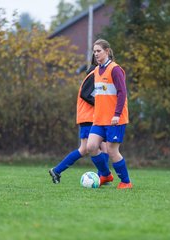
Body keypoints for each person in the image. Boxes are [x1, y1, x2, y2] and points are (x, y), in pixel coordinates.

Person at [48, 55, 109, 184]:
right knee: (86, 149)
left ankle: (102, 177)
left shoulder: (97, 74)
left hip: (93, 117)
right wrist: (101, 104)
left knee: (104, 148)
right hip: (89, 117)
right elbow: (85, 94)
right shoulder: (94, 74)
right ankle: (57, 170)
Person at [87, 39, 133, 189]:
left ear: (107, 51)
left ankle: (126, 182)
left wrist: (117, 114)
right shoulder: (96, 71)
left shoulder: (115, 69)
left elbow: (122, 93)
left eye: (98, 51)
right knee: (91, 147)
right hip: (99, 118)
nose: (96, 54)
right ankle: (105, 174)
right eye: (94, 52)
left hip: (115, 119)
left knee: (113, 150)